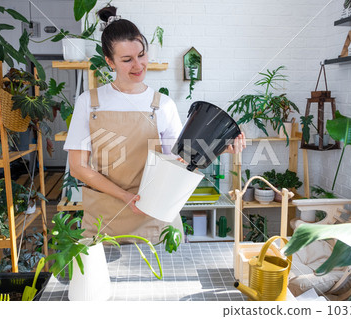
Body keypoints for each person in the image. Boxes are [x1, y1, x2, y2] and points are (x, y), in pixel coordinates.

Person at [64, 6, 246, 243]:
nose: (138, 65)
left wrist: (219, 148)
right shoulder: (89, 102)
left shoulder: (163, 105)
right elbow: (78, 167)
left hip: (154, 216)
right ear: (110, 62)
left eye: (141, 55)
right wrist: (124, 197)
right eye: (127, 59)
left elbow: (179, 163)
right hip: (103, 218)